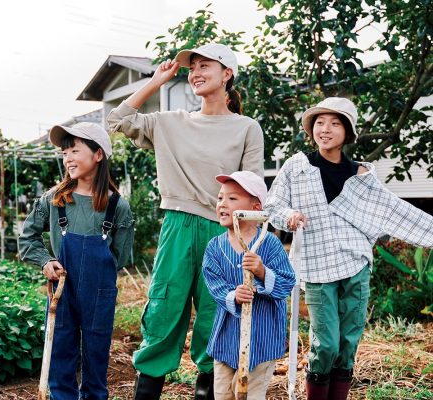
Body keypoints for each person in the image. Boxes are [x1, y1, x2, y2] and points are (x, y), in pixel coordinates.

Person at [107, 43, 265, 400]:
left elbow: (253, 189)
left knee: (216, 316)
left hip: (224, 232)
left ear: (227, 74)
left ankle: (208, 392)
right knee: (164, 312)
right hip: (177, 227)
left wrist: (244, 241)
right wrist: (156, 80)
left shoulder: (246, 128)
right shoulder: (169, 122)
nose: (195, 72)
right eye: (191, 67)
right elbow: (117, 120)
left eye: (205, 65)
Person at [263, 97, 433, 400]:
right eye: (319, 122)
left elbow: (394, 212)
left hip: (355, 263)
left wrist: (382, 234)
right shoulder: (297, 166)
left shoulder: (362, 175)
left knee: (348, 341)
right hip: (316, 265)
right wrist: (290, 216)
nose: (325, 129)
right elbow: (273, 203)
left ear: (348, 132)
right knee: (326, 342)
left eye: (335, 123)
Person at [18, 122, 134, 400]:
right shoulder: (54, 199)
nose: (67, 157)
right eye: (64, 152)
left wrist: (99, 272)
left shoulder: (117, 205)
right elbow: (27, 238)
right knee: (61, 350)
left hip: (99, 291)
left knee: (96, 352)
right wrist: (46, 261)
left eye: (74, 150)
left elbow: (119, 256)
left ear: (98, 155)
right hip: (62, 288)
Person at [202, 171, 295, 400]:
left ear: (255, 209)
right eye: (221, 198)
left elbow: (286, 283)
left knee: (250, 396)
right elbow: (214, 285)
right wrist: (233, 295)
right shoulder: (215, 247)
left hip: (262, 340)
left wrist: (262, 272)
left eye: (232, 199)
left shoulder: (269, 244)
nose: (223, 204)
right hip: (226, 339)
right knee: (224, 394)